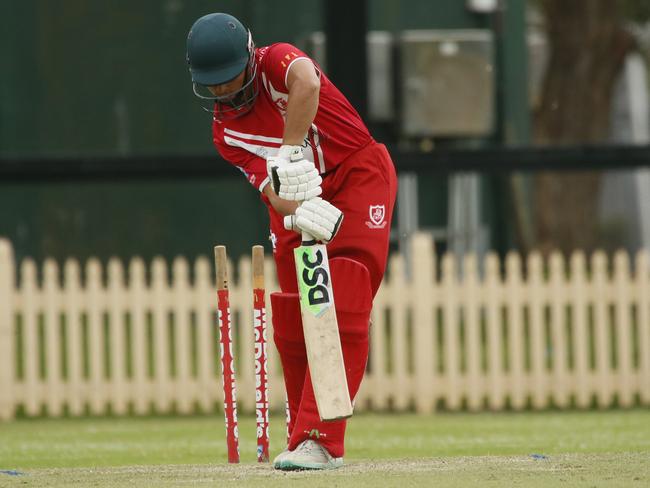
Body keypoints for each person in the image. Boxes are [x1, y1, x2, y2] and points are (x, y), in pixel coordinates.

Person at [186, 12, 397, 470]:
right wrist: (300, 208)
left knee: (343, 292)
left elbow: (308, 84)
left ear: (248, 56)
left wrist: (288, 151)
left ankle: (322, 440)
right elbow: (271, 191)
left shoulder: (276, 60)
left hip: (358, 173)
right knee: (297, 310)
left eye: (229, 79)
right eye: (213, 84)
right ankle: (303, 438)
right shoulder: (226, 133)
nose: (223, 91)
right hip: (296, 202)